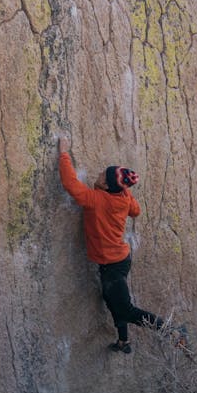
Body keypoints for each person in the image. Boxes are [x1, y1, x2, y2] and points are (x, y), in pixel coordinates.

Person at [57, 136, 173, 354]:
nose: (99, 174)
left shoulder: (95, 200)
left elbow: (70, 184)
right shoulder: (123, 198)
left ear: (106, 185)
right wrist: (123, 191)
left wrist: (64, 154)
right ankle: (123, 342)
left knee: (126, 309)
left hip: (113, 265)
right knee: (112, 299)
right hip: (119, 261)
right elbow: (136, 211)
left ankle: (172, 332)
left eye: (102, 175)